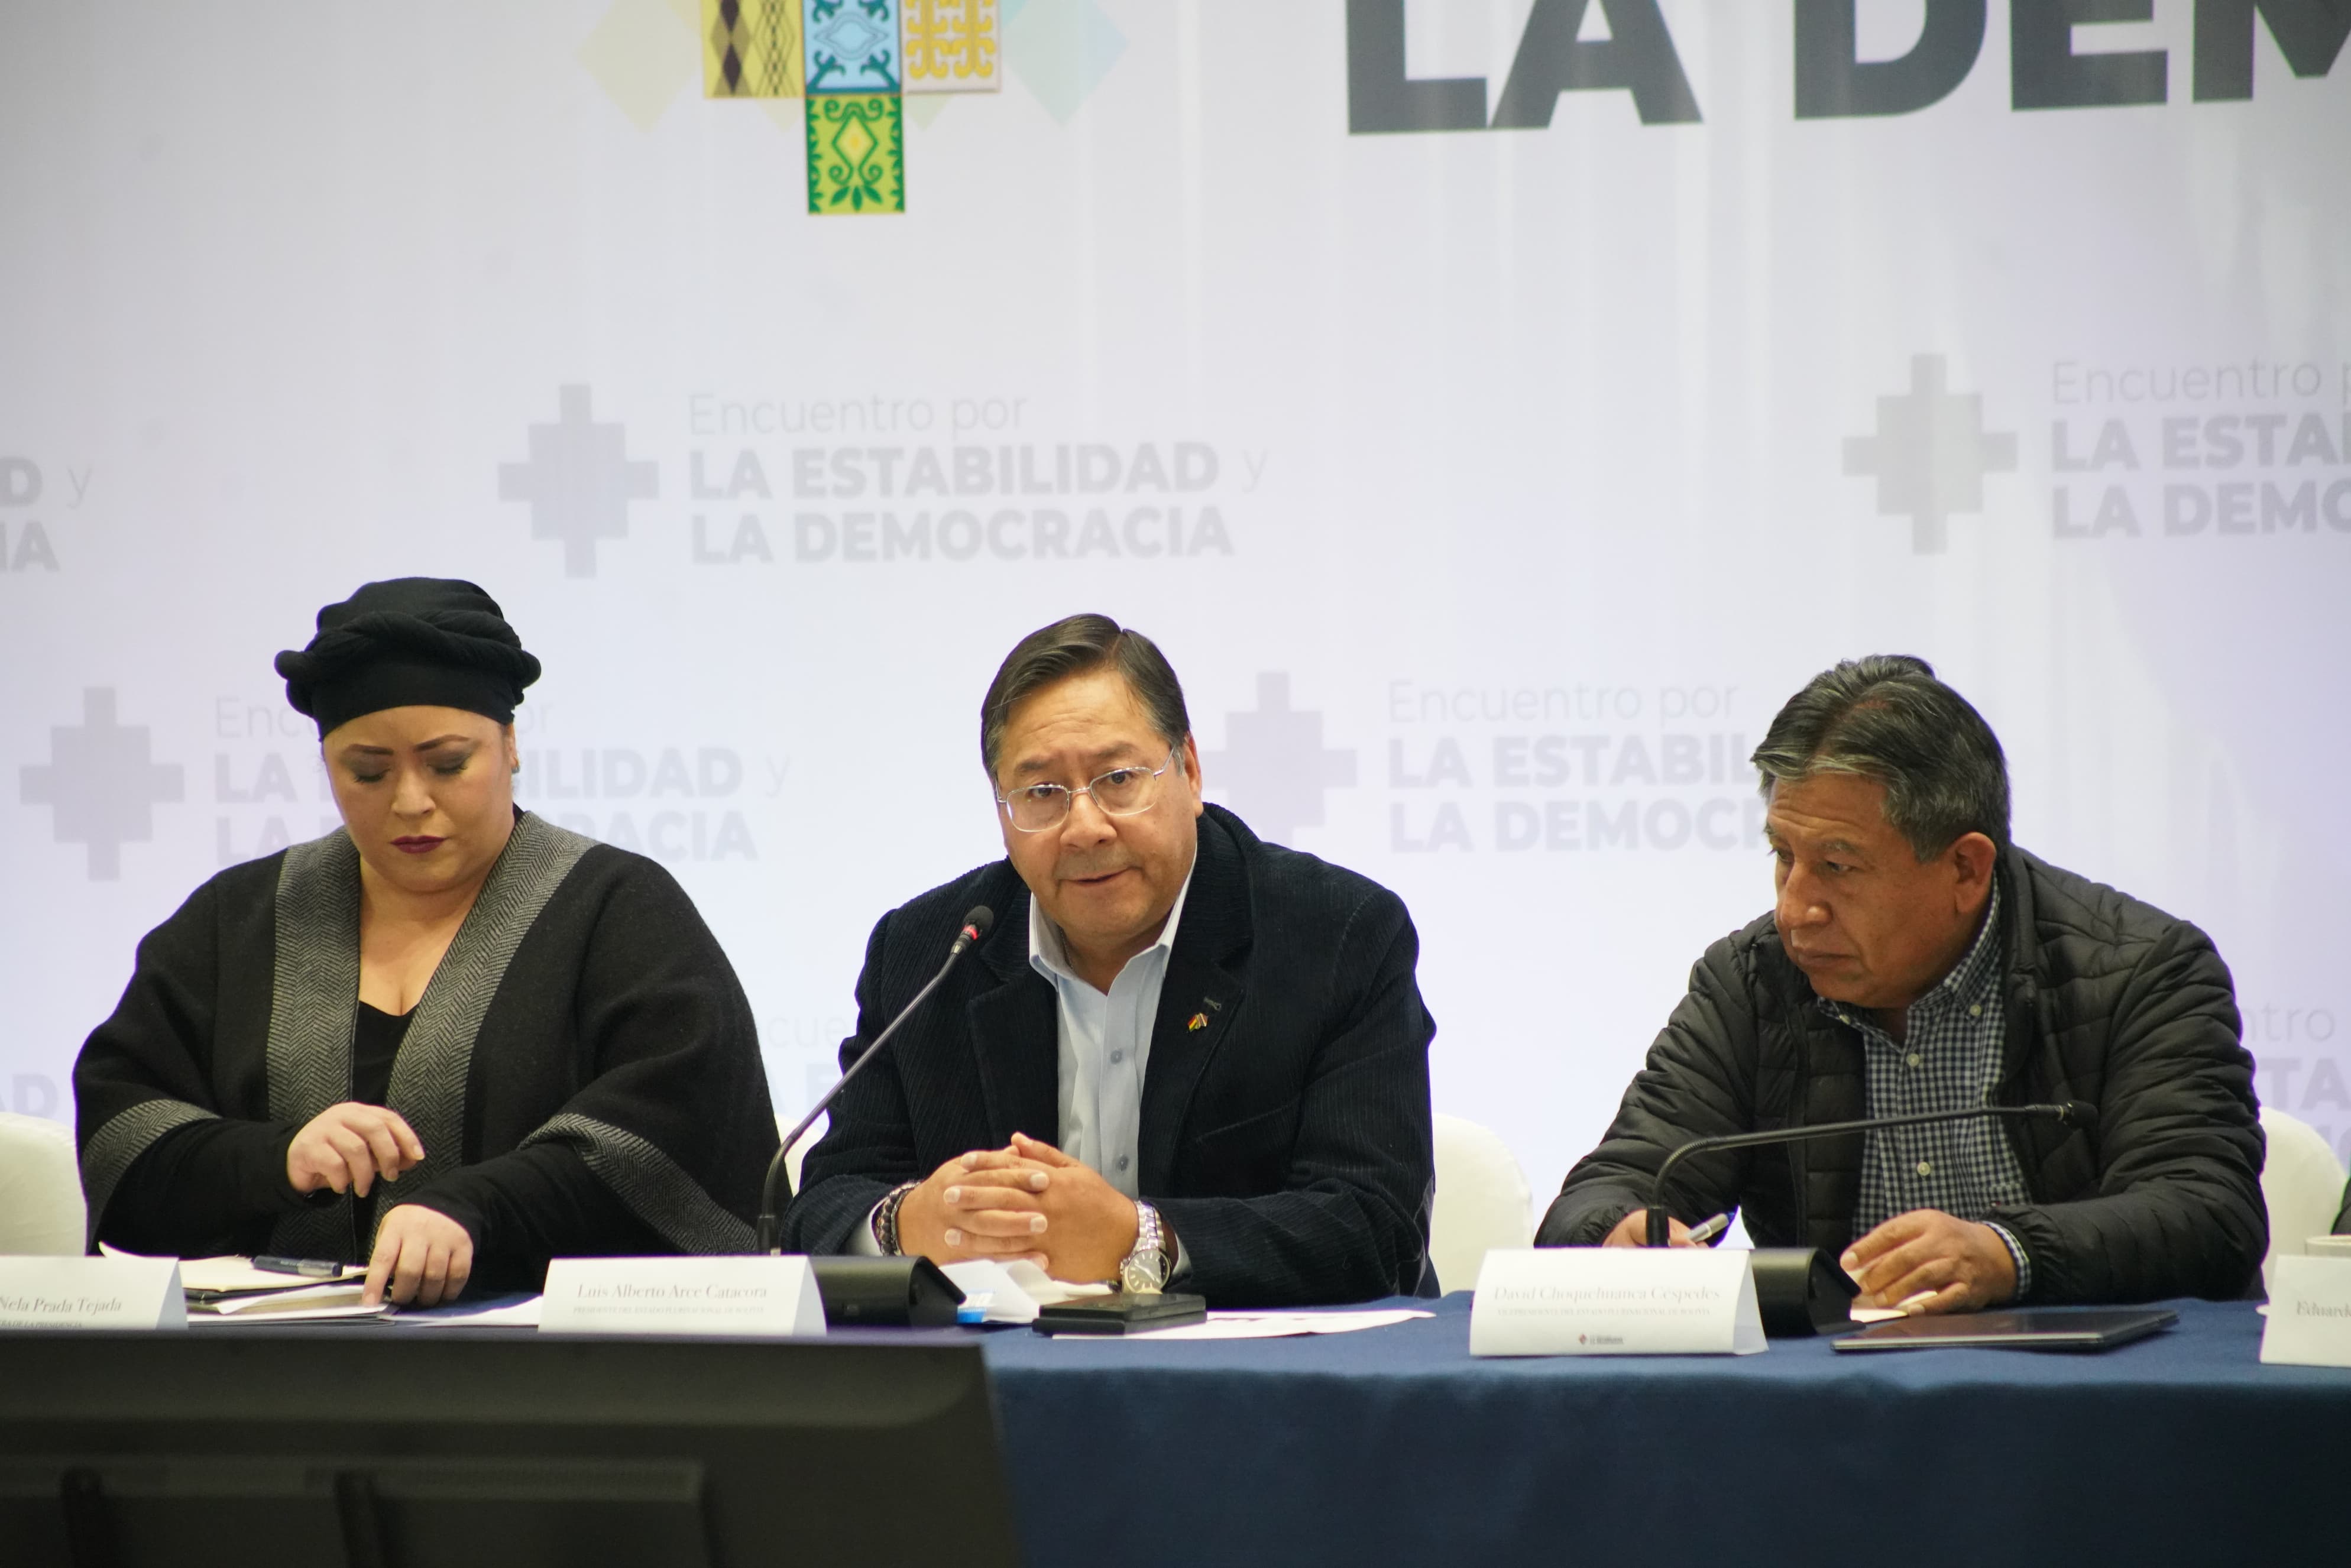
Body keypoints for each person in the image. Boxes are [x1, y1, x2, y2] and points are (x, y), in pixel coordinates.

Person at [73, 578, 777, 1305]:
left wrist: (481, 1207)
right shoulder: (238, 918)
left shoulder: (617, 909)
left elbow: (676, 1137)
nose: (411, 802)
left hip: (543, 1358)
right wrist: (278, 1159)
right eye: (368, 772)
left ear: (510, 744)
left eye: (448, 765)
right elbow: (124, 1133)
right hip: (257, 1357)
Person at [1538, 655, 2265, 1312]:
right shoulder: (1752, 983)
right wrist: (1617, 1233)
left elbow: (2208, 1216)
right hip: (1842, 1396)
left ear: (1965, 870)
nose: (1795, 910)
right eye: (1783, 856)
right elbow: (1610, 1187)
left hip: (2093, 1391)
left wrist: (2009, 1255)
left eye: (1838, 866)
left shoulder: (2141, 972)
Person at [783, 614, 1434, 1305]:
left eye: (1118, 779)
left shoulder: (1337, 934)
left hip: (1258, 1364)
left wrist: (1140, 1240)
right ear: (1001, 811)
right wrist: (905, 1223)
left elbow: (1377, 1230)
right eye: (1041, 794)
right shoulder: (930, 952)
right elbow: (820, 1206)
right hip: (1006, 1363)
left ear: (1189, 770)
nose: (1085, 827)